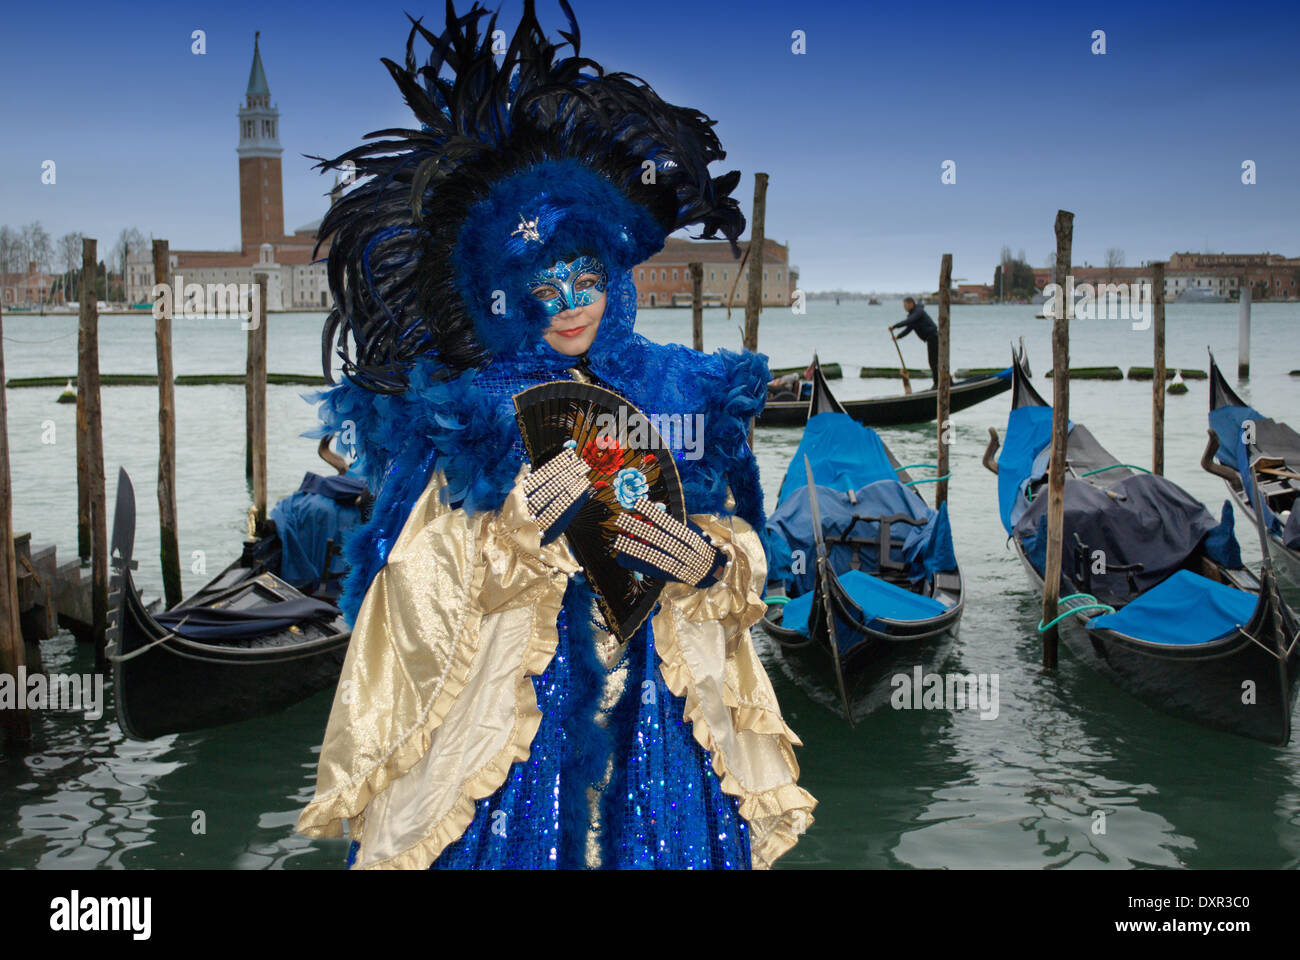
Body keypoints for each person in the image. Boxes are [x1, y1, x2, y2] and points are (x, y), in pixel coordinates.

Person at [295, 0, 815, 870]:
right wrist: (524, 522)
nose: (572, 303)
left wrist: (704, 559)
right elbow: (412, 586)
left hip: (659, 713)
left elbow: (744, 549)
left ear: (615, 272)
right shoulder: (477, 408)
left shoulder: (683, 385)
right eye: (546, 283)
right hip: (524, 720)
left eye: (587, 276)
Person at [891, 296, 940, 387]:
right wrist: (898, 336)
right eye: (904, 305)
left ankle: (938, 384)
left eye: (905, 305)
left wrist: (895, 326)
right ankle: (944, 382)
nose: (904, 307)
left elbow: (909, 321)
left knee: (934, 362)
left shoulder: (918, 312)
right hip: (930, 339)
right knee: (935, 362)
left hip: (934, 337)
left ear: (911, 304)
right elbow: (909, 328)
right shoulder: (913, 315)